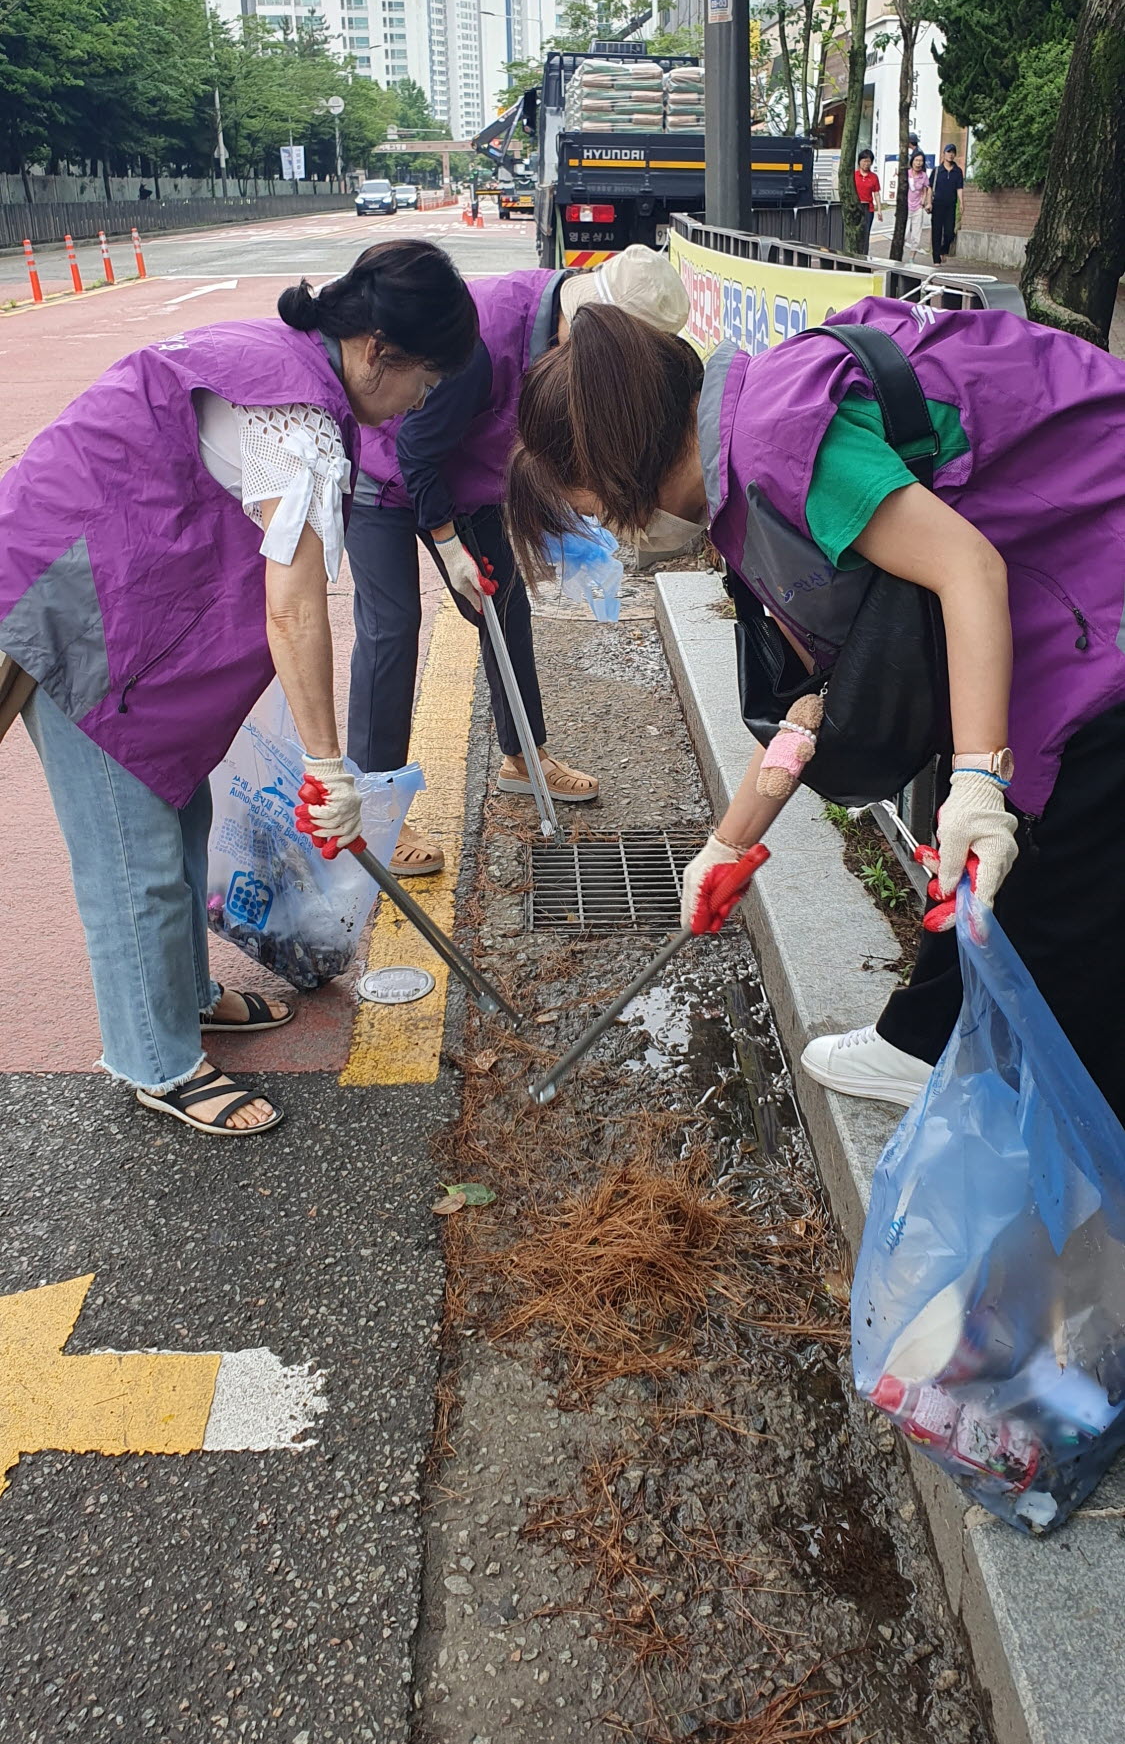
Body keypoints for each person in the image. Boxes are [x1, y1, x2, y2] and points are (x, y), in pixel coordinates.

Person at [505, 295, 1125, 1122]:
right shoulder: (745, 474)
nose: (614, 536)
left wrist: (977, 777)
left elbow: (968, 570)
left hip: (1094, 595)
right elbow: (814, 707)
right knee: (988, 857)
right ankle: (923, 1043)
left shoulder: (778, 446)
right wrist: (726, 846)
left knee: (1062, 872)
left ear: (620, 461)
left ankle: (1073, 1153)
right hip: (1060, 586)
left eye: (591, 511)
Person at [0, 242, 477, 1136]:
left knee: (176, 811)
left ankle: (183, 994)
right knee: (130, 854)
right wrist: (328, 766)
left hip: (123, 595)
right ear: (377, 349)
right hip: (70, 608)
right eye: (424, 379)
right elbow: (294, 613)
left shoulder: (290, 366)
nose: (421, 400)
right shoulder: (291, 421)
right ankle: (157, 1061)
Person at [347, 244, 689, 875]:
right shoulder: (484, 338)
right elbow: (417, 451)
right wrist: (448, 547)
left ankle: (523, 757)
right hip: (383, 474)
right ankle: (376, 812)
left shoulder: (562, 322)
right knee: (391, 629)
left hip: (465, 478)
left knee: (504, 605)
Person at [929, 143, 964, 264]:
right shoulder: (937, 170)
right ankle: (936, 258)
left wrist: (961, 203)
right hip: (937, 204)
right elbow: (930, 188)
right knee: (936, 231)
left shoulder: (958, 171)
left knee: (949, 232)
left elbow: (959, 188)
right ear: (944, 154)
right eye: (948, 152)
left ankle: (943, 250)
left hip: (951, 205)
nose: (951, 154)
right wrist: (929, 202)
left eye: (953, 152)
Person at [854, 149, 882, 254]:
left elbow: (876, 194)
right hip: (855, 208)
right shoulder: (854, 175)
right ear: (859, 161)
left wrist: (879, 209)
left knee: (865, 234)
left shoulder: (873, 177)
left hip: (868, 209)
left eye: (868, 161)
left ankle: (864, 255)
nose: (866, 164)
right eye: (864, 161)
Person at [904, 150, 931, 259]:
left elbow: (927, 189)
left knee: (916, 236)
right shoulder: (907, 173)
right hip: (906, 208)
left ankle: (911, 258)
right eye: (916, 160)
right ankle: (898, 256)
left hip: (918, 208)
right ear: (912, 161)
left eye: (921, 161)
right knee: (904, 234)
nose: (919, 163)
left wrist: (925, 201)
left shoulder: (924, 176)